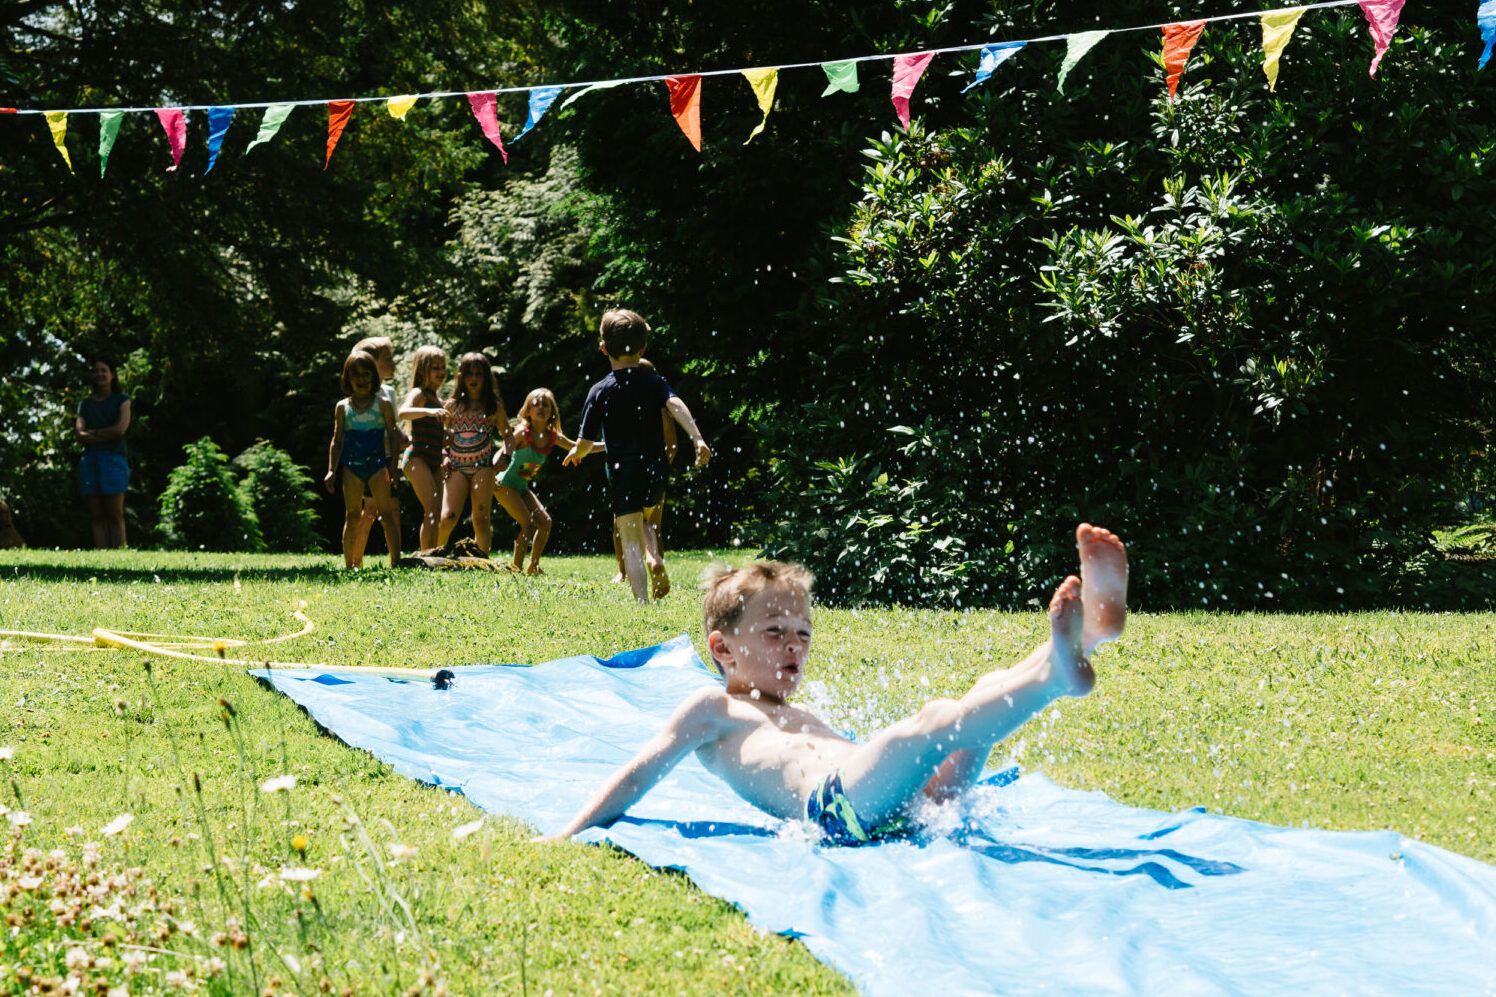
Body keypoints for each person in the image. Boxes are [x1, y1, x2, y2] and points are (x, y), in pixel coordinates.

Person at [545, 524, 1129, 845]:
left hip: (914, 808)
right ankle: (1056, 675)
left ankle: (1086, 641)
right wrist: (571, 832)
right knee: (934, 718)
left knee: (977, 701)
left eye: (802, 631)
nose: (794, 644)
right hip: (835, 812)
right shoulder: (713, 707)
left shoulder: (800, 714)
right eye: (774, 632)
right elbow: (642, 769)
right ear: (722, 649)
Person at [563, 310, 710, 603]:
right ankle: (656, 559)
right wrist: (697, 438)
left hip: (622, 470)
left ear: (604, 349)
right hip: (655, 468)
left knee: (630, 539)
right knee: (648, 519)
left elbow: (585, 441)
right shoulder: (653, 381)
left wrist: (576, 453)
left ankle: (642, 601)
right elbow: (675, 404)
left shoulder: (599, 391)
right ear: (642, 349)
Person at [494, 387, 595, 575]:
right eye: (536, 404)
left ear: (552, 412)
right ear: (528, 411)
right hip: (503, 485)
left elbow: (580, 447)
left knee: (545, 522)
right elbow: (503, 449)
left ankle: (533, 566)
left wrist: (610, 446)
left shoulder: (552, 437)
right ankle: (516, 569)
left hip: (521, 487)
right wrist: (493, 467)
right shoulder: (523, 433)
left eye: (546, 405)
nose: (541, 408)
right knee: (528, 524)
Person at [324, 351, 402, 568]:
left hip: (377, 466)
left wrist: (393, 467)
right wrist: (332, 469)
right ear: (347, 378)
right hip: (351, 468)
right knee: (352, 515)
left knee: (386, 514)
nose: (361, 380)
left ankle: (396, 562)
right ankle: (350, 566)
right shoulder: (343, 407)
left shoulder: (382, 404)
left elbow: (394, 435)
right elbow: (337, 441)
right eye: (355, 375)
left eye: (366, 374)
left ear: (374, 377)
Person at [611, 358, 678, 586]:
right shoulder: (661, 409)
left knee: (621, 524)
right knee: (653, 526)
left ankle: (627, 570)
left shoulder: (625, 408)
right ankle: (657, 561)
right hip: (657, 470)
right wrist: (663, 463)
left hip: (628, 472)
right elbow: (672, 445)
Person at [437, 352, 510, 554]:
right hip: (456, 466)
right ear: (461, 377)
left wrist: (507, 456)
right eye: (469, 374)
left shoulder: (493, 406)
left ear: (486, 377)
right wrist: (443, 456)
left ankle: (483, 559)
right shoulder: (452, 406)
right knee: (448, 516)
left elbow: (508, 436)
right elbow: (440, 437)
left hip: (483, 467)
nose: (474, 379)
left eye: (479, 374)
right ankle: (433, 555)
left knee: (481, 518)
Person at [350, 337, 407, 560]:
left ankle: (394, 559)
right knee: (373, 511)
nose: (393, 363)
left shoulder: (389, 393)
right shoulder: (359, 395)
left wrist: (403, 438)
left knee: (387, 511)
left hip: (388, 459)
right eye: (388, 358)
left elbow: (392, 425)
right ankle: (355, 560)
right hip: (368, 459)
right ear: (373, 363)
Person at [75, 357, 132, 549]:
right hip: (90, 460)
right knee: (97, 514)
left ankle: (119, 553)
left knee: (115, 513)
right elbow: (79, 434)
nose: (100, 374)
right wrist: (104, 434)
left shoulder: (122, 400)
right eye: (96, 370)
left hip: (114, 459)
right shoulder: (85, 404)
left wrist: (93, 433)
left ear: (112, 375)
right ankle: (101, 552)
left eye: (104, 370)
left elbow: (120, 429)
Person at [399, 346, 451, 551]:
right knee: (431, 507)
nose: (441, 372)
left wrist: (448, 439)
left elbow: (437, 436)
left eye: (443, 367)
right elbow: (403, 412)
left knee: (436, 511)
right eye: (435, 368)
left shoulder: (438, 400)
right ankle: (426, 556)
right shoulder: (419, 393)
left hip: (434, 459)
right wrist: (429, 412)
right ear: (422, 371)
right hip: (416, 458)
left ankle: (433, 553)